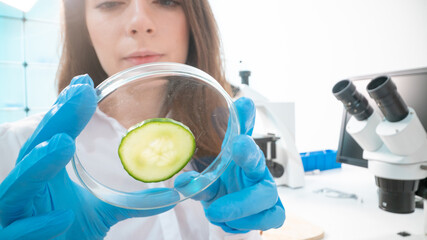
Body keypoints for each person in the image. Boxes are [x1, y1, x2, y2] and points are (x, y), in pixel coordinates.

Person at [0, 0, 285, 239]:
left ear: (194, 18)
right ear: (82, 26)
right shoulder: (13, 150)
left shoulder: (226, 142)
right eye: (111, 2)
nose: (140, 22)